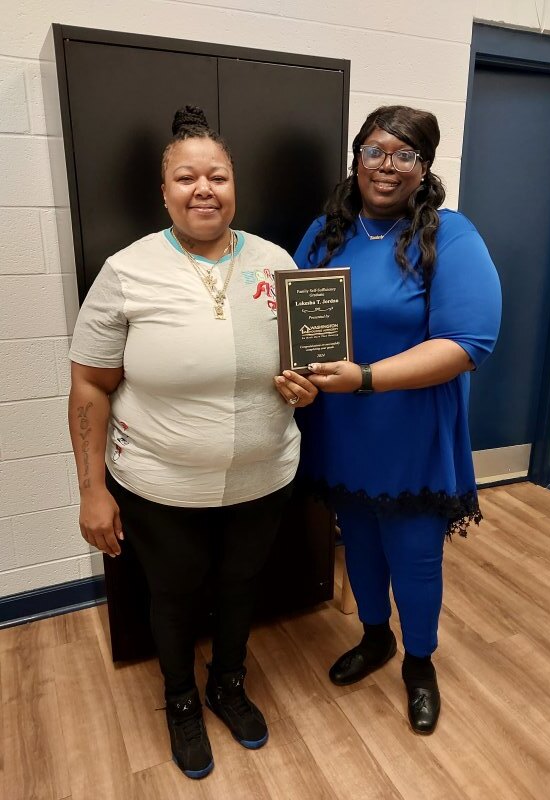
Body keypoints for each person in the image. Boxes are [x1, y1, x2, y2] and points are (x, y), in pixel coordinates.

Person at [68, 106, 316, 779]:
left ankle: (227, 684)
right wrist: (92, 491)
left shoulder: (277, 261)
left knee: (241, 587)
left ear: (235, 185)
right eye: (186, 178)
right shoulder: (128, 271)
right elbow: (89, 385)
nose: (203, 188)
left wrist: (307, 388)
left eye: (217, 176)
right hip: (159, 483)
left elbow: (307, 366)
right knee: (173, 594)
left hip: (263, 476)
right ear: (164, 191)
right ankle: (180, 698)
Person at [294, 105, 501, 734]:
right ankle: (376, 637)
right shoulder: (328, 231)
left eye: (404, 154)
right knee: (356, 542)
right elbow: (292, 314)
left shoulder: (453, 236)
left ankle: (419, 663)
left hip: (410, 430)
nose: (387, 166)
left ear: (425, 167)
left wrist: (367, 377)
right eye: (375, 150)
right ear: (356, 156)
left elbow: (469, 342)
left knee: (413, 556)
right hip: (342, 428)